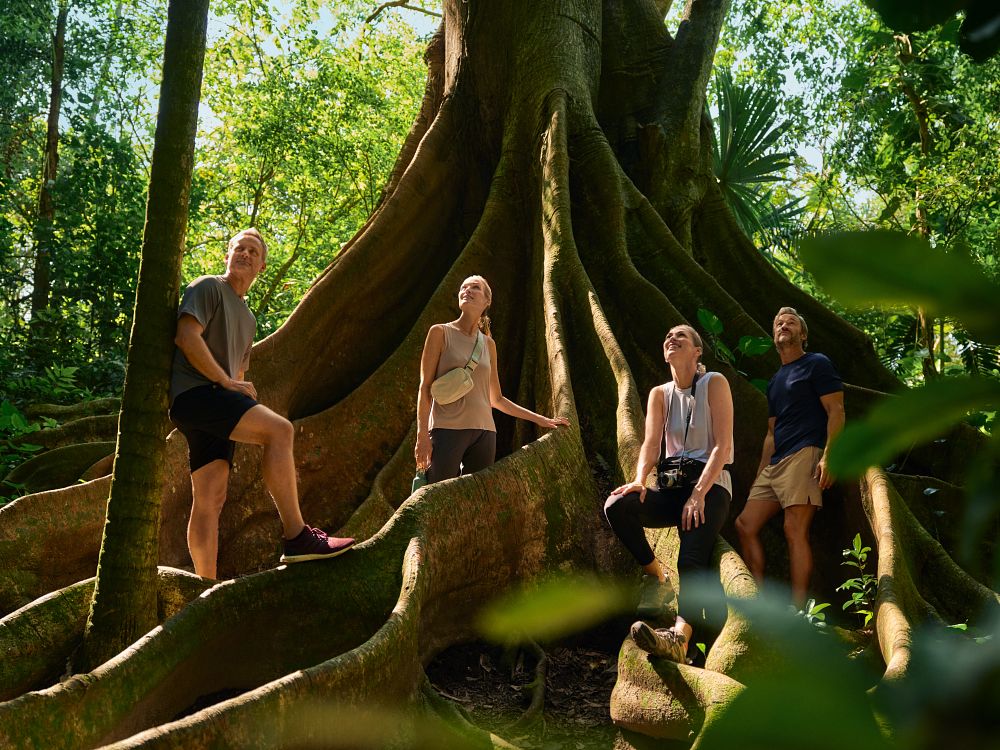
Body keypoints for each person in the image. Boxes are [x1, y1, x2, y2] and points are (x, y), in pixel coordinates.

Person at [169, 228, 354, 579]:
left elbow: (238, 369)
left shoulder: (249, 318)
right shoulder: (208, 287)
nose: (245, 254)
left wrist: (233, 382)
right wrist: (225, 382)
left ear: (262, 267)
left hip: (212, 402)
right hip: (197, 394)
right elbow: (186, 336)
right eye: (239, 248)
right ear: (227, 254)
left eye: (253, 252)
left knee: (211, 496)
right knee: (280, 430)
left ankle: (203, 584)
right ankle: (297, 537)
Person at [604, 325, 734, 663]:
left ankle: (680, 637)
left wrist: (700, 493)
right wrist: (638, 480)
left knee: (690, 559)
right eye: (667, 338)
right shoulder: (660, 393)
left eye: (681, 336)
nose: (671, 339)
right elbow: (650, 444)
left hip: (711, 486)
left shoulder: (714, 383)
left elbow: (722, 445)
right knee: (617, 505)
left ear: (697, 351)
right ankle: (656, 576)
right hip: (672, 488)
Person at [734, 306, 845, 608]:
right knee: (745, 524)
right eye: (778, 322)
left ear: (803, 334)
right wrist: (760, 473)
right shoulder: (774, 382)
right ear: (774, 337)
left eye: (791, 321)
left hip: (805, 453)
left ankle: (798, 611)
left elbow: (836, 410)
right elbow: (771, 433)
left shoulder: (816, 364)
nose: (784, 324)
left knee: (793, 529)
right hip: (776, 462)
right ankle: (758, 601)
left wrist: (829, 457)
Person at [414, 275, 569, 483]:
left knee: (475, 500)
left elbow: (497, 399)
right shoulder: (440, 332)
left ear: (487, 301)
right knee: (435, 495)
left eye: (475, 287)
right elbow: (424, 388)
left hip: (485, 434)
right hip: (446, 430)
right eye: (464, 287)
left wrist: (542, 419)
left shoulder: (488, 345)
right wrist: (422, 435)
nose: (467, 290)